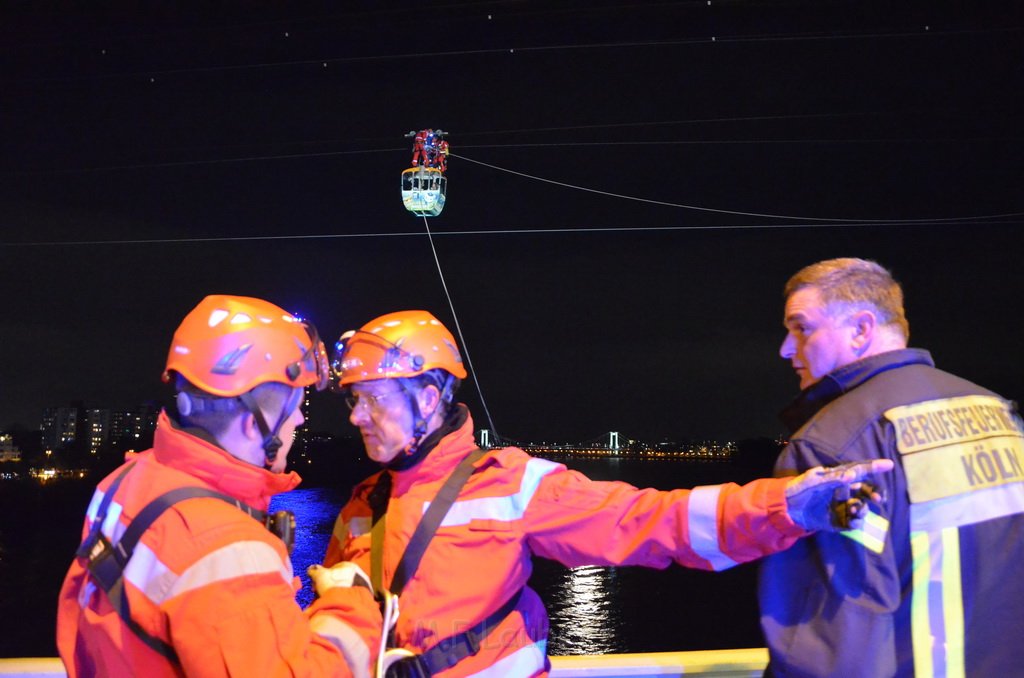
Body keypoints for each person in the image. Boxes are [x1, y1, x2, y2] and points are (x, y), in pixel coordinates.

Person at [323, 309, 893, 677]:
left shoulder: (511, 484)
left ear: (427, 399)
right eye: (353, 400)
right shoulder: (361, 505)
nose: (359, 417)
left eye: (376, 399)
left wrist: (786, 506)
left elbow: (652, 520)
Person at [57, 295, 382, 677]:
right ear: (251, 425)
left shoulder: (122, 482)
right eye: (294, 405)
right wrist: (353, 602)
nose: (298, 418)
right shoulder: (230, 548)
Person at [759, 258, 1024, 677]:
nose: (786, 348)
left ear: (861, 329)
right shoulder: (1000, 415)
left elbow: (832, 642)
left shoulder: (831, 447)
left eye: (801, 327)